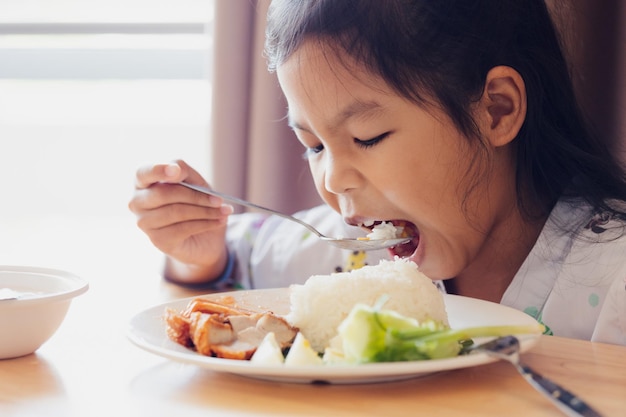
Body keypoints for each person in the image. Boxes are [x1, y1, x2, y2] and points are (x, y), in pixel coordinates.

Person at [129, 0, 626, 345]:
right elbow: (237, 256)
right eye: (314, 145)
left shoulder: (614, 280)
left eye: (368, 137)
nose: (332, 178)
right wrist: (198, 248)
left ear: (495, 109)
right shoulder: (350, 253)